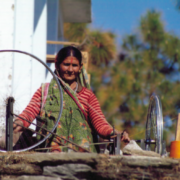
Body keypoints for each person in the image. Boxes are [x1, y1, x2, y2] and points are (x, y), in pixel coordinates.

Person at [13, 46, 130, 153]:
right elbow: (30, 111)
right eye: (66, 64)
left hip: (83, 156)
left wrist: (114, 133)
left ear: (80, 67)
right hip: (50, 154)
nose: (70, 69)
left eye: (74, 65)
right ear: (57, 65)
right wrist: (21, 122)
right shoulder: (45, 91)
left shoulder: (88, 96)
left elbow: (100, 124)